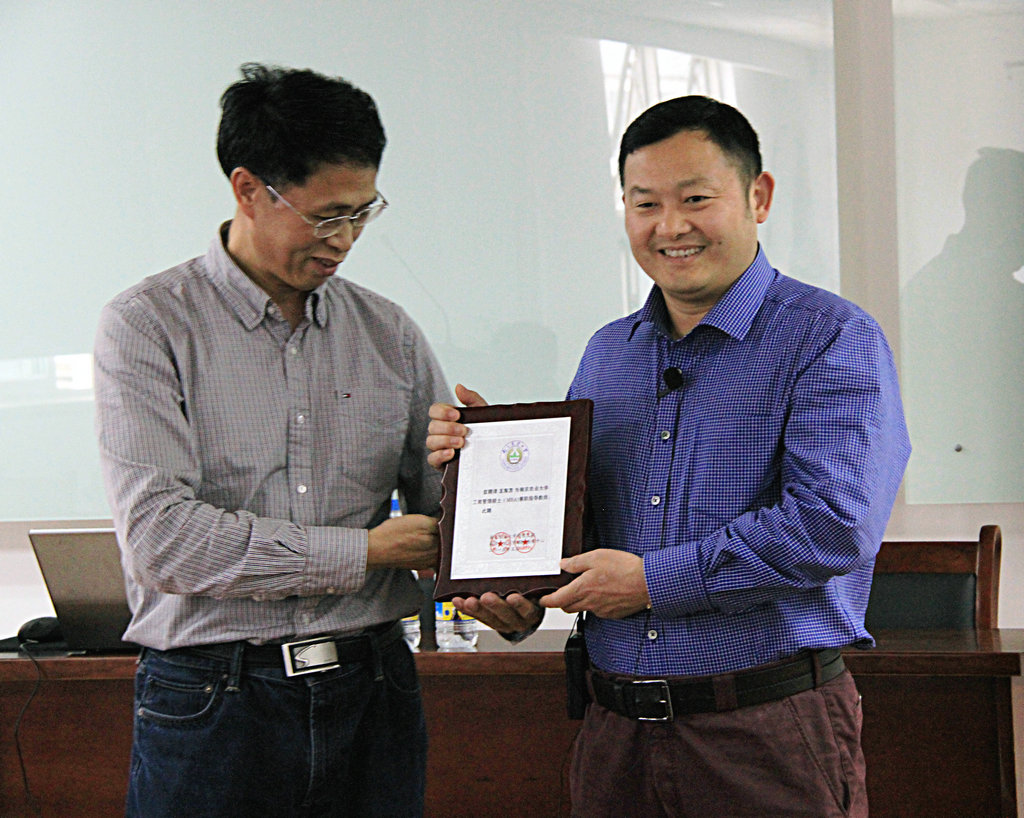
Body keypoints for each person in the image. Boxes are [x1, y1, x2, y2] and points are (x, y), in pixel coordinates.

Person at [427, 96, 910, 817]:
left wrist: (654, 582)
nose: (670, 226)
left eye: (695, 199)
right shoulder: (608, 354)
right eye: (644, 203)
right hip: (615, 733)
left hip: (766, 733)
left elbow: (831, 525)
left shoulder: (830, 337)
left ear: (758, 197)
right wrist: (496, 497)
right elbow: (586, 530)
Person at [94, 63, 449, 817]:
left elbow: (443, 513)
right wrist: (364, 551)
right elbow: (162, 541)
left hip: (373, 690)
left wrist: (490, 504)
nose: (345, 240)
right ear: (248, 189)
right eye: (325, 217)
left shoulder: (388, 333)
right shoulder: (150, 326)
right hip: (212, 699)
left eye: (362, 213)